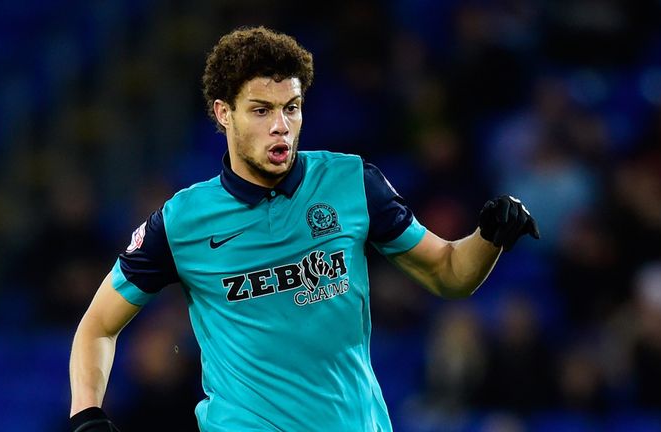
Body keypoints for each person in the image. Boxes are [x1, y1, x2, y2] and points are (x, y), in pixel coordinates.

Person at [68, 25, 539, 432]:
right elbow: (98, 327)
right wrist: (86, 412)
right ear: (222, 113)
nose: (281, 126)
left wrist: (490, 236)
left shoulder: (352, 184)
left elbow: (449, 273)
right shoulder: (182, 222)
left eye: (291, 107)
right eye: (260, 110)